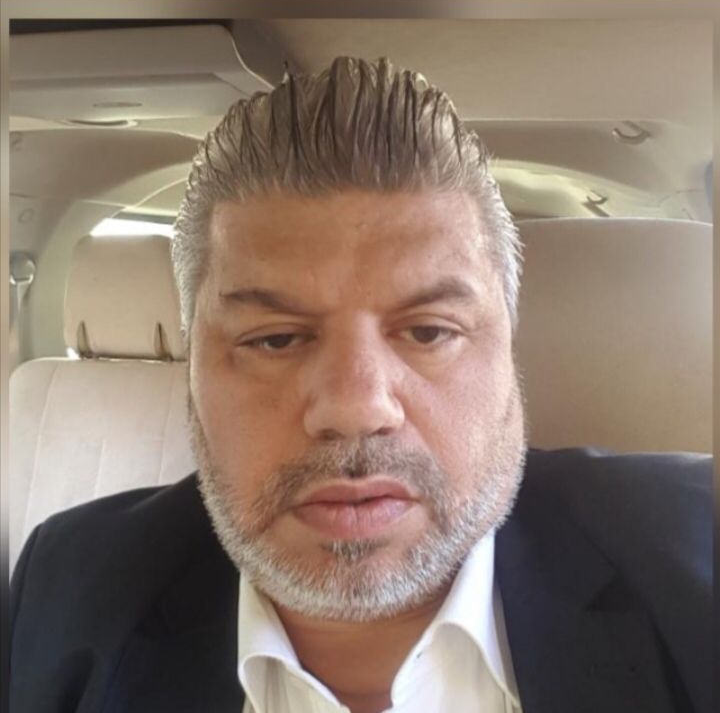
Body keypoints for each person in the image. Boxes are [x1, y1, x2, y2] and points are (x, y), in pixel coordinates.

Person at [9, 57, 711, 713]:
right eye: (275, 339)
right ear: (190, 370)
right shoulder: (66, 590)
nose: (355, 407)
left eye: (429, 331)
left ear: (510, 351)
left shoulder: (696, 549)